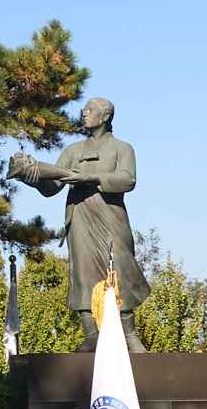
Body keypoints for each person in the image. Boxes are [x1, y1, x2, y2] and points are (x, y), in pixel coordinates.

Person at [9, 98, 148, 350]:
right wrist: (32, 177)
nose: (83, 114)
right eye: (83, 110)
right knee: (83, 274)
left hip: (111, 218)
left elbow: (128, 180)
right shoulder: (73, 151)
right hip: (81, 219)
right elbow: (53, 186)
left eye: (90, 110)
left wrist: (92, 177)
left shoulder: (122, 148)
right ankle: (91, 335)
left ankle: (129, 334)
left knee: (121, 270)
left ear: (105, 116)